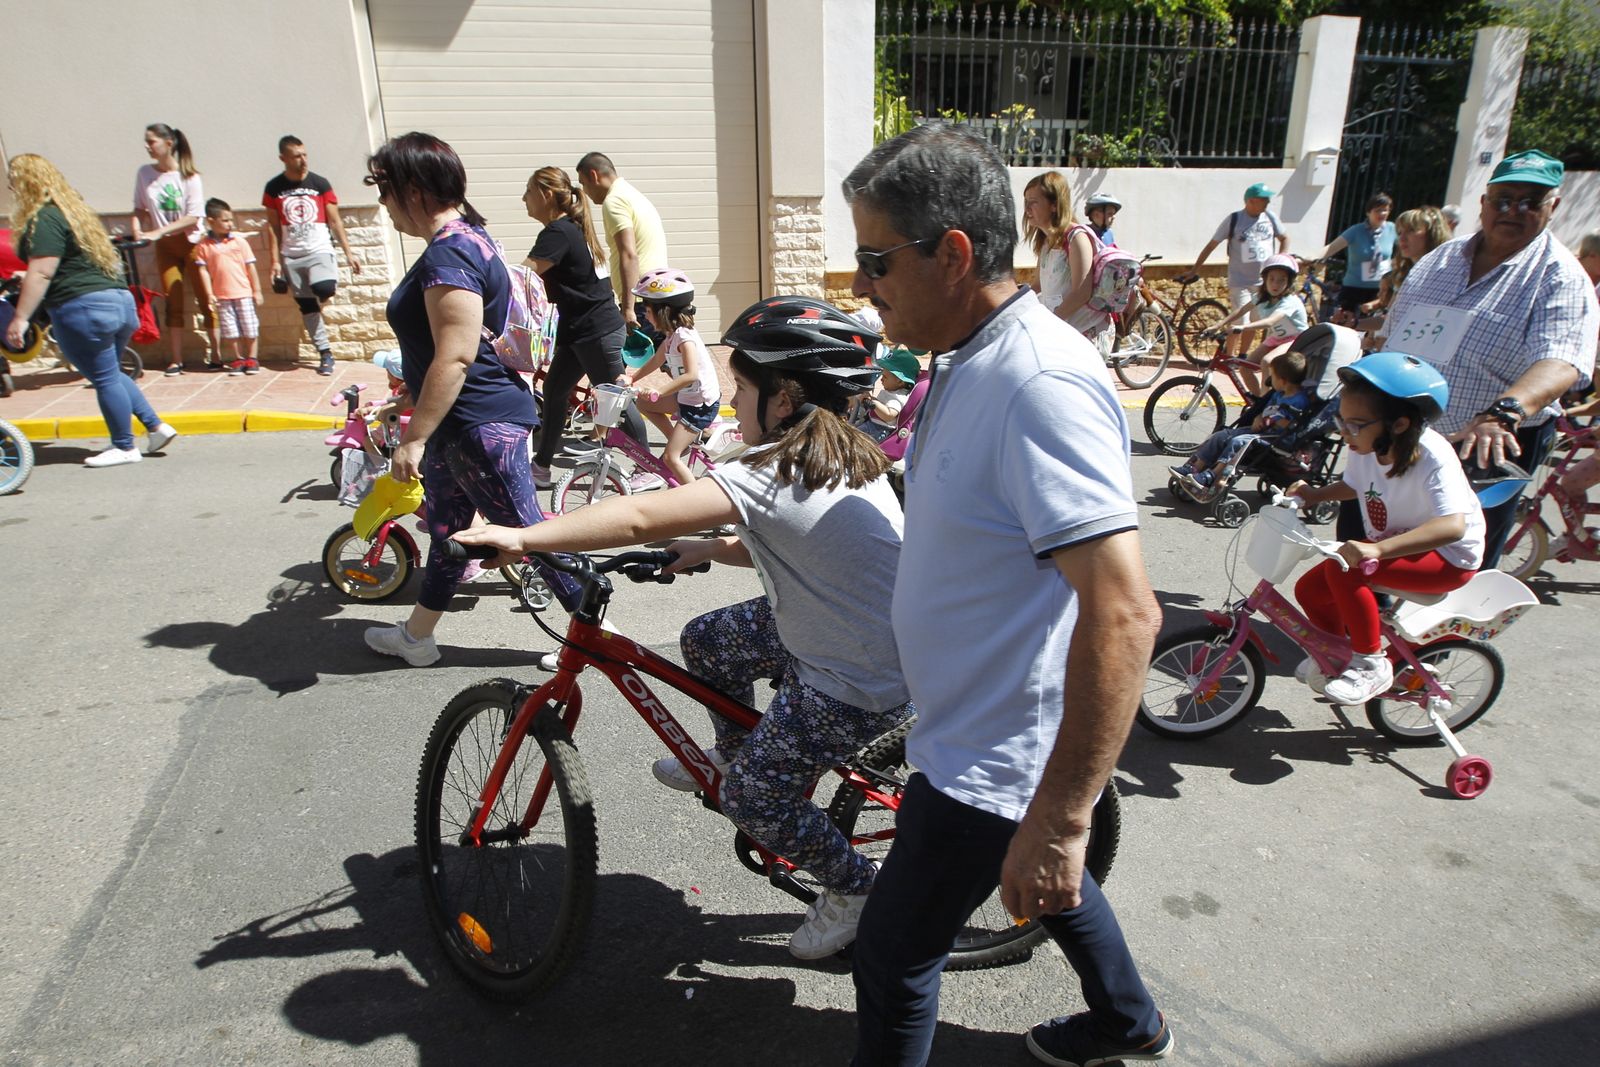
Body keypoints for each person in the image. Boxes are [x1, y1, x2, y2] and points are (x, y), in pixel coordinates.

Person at [843, 123, 1171, 1067]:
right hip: (967, 730)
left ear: (951, 255)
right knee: (1040, 882)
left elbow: (1124, 610)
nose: (862, 286)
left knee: (896, 951)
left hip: (994, 752)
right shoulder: (967, 351)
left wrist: (1065, 818)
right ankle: (1128, 1020)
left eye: (874, 261)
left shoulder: (1039, 383)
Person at [455, 295, 914, 960]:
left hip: (856, 676)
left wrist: (524, 537)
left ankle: (852, 890)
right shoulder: (842, 454)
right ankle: (734, 751)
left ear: (784, 399)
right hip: (840, 627)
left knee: (751, 797)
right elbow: (803, 538)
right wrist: (712, 549)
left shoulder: (773, 467)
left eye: (743, 389)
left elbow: (645, 516)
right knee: (705, 638)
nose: (731, 400)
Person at [358, 131, 579, 668]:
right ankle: (418, 638)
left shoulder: (450, 250)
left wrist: (412, 438)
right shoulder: (472, 238)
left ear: (411, 188)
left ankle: (600, 637)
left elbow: (456, 357)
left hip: (478, 422)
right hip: (462, 422)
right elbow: (453, 348)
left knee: (531, 535)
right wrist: (409, 398)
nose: (382, 204)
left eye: (384, 190)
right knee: (449, 533)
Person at [1383, 148, 1598, 568]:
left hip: (1486, 444)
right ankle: (1369, 628)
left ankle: (1442, 636)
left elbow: (1561, 361)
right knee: (1374, 540)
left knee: (1454, 563)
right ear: (1483, 203)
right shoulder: (1438, 261)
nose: (1512, 210)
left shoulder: (1561, 276)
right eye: (1503, 199)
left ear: (1552, 206)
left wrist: (1503, 412)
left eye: (1529, 202)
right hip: (1406, 433)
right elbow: (1394, 335)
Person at [1284, 353, 1485, 703]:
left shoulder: (1432, 454)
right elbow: (1355, 485)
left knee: (1345, 572)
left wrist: (1376, 549)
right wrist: (1314, 495)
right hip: (1398, 544)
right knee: (1310, 590)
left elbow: (1452, 526)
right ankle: (1337, 654)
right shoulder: (1365, 445)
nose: (1345, 432)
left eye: (1355, 424)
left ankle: (1370, 664)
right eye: (1341, 421)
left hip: (1446, 557)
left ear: (1400, 424)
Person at [6, 154, 177, 467]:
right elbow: (68, 266)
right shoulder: (74, 213)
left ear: (27, 183)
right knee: (109, 372)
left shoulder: (44, 217)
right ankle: (156, 426)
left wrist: (20, 318)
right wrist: (26, 276)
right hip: (118, 302)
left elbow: (43, 271)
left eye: (13, 180)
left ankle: (124, 446)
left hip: (83, 308)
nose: (9, 186)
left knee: (103, 377)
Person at [520, 165, 646, 486]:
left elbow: (523, 276)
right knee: (555, 389)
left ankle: (647, 467)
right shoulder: (572, 229)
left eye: (529, 192)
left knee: (616, 398)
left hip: (596, 330)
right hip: (581, 330)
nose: (524, 199)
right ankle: (542, 466)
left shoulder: (558, 233)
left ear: (547, 195)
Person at [261, 135, 361, 376]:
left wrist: (349, 253)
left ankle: (321, 293)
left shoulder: (320, 183)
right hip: (291, 255)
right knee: (306, 306)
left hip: (319, 249)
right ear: (283, 158)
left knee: (325, 288)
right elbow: (273, 228)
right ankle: (325, 353)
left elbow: (335, 221)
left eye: (304, 154)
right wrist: (275, 261)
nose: (303, 160)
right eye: (296, 156)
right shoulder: (273, 188)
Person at [618, 267, 720, 490]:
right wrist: (632, 379)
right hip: (687, 397)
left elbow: (691, 374)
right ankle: (680, 440)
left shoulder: (685, 337)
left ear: (663, 311)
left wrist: (659, 392)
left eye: (647, 309)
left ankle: (701, 502)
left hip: (700, 405)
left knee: (670, 459)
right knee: (644, 403)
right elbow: (656, 360)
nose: (644, 314)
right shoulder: (672, 335)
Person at [1170, 346, 1309, 494]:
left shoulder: (1299, 401)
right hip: (1263, 430)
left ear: (1283, 380)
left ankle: (1212, 475)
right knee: (1221, 435)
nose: (1269, 380)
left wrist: (1274, 419)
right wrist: (1259, 417)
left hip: (1278, 438)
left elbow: (1294, 425)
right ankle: (1194, 467)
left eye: (1272, 376)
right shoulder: (1278, 394)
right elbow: (1266, 411)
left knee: (1238, 442)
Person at [131, 123, 211, 375]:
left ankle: (219, 355)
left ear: (169, 144)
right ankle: (176, 359)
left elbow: (193, 217)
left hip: (191, 243)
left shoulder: (190, 177)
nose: (147, 147)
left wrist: (158, 231)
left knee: (206, 298)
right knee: (172, 301)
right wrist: (137, 227)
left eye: (152, 141)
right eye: (146, 141)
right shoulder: (145, 173)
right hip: (165, 247)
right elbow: (140, 208)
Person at [575, 151, 668, 332]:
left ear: (594, 175)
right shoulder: (631, 194)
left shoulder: (614, 201)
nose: (585, 191)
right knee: (659, 358)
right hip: (656, 294)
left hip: (641, 301)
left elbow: (629, 254)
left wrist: (628, 308)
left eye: (583, 183)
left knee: (625, 358)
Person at [1022, 171, 1111, 345]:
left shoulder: (1076, 238)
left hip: (1083, 336)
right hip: (1061, 332)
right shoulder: (1047, 241)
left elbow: (1081, 293)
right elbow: (1038, 285)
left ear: (1054, 205)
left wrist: (1052, 322)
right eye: (1025, 201)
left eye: (1033, 202)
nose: (1026, 209)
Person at [1204, 253, 1308, 395]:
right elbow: (1241, 311)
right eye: (1271, 279)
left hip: (1296, 339)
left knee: (1267, 361)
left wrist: (1242, 327)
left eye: (1281, 280)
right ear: (1265, 279)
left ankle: (1263, 407)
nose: (1275, 284)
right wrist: (1218, 325)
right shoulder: (1261, 297)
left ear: (1289, 282)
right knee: (1244, 366)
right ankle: (1257, 399)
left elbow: (1270, 321)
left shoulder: (1289, 301)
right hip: (1276, 338)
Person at [1185, 180, 1291, 311]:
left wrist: (1280, 264)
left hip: (1264, 282)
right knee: (1240, 322)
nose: (1268, 201)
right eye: (1264, 199)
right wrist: (1194, 270)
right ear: (1251, 201)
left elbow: (1284, 238)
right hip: (1240, 282)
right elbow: (1211, 245)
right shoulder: (1234, 219)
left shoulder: (1270, 217)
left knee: (1254, 323)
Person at [190, 199, 264, 376]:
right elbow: (204, 271)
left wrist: (257, 290)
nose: (230, 224)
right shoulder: (203, 246)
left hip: (243, 292)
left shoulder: (239, 242)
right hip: (222, 295)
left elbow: (250, 267)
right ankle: (237, 358)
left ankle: (252, 358)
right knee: (230, 329)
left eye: (231, 220)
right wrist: (209, 294)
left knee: (249, 326)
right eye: (225, 220)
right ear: (211, 221)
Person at [1315, 193, 1396, 319]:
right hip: (1353, 288)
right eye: (1378, 210)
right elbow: (1331, 248)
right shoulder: (1356, 231)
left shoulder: (1392, 229)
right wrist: (1309, 258)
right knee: (1346, 324)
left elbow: (1404, 251)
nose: (1382, 214)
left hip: (1379, 289)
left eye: (1385, 210)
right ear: (1368, 212)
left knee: (1371, 330)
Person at [851, 348, 920, 443]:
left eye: (885, 377)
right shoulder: (891, 391)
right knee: (851, 431)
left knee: (853, 440)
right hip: (872, 424)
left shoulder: (897, 397)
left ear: (900, 381)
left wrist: (873, 403)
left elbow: (889, 415)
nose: (881, 379)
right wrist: (870, 399)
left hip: (879, 430)